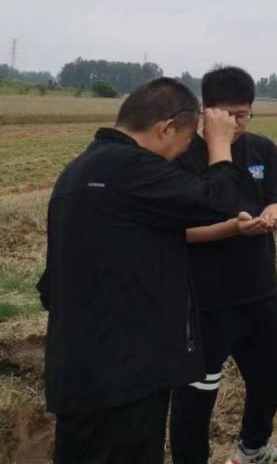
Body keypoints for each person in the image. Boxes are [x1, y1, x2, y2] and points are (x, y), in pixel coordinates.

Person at [38, 77, 250, 463]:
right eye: (185, 143)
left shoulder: (81, 169)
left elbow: (51, 284)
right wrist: (220, 146)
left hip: (82, 369)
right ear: (165, 128)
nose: (178, 157)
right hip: (122, 377)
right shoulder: (129, 168)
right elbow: (217, 200)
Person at [169, 67, 277, 464]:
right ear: (207, 112)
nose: (239, 124)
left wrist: (273, 214)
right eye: (230, 115)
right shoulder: (181, 155)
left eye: (246, 114)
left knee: (274, 370)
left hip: (259, 287)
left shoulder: (263, 150)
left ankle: (253, 446)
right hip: (204, 297)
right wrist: (230, 229)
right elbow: (177, 230)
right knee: (197, 390)